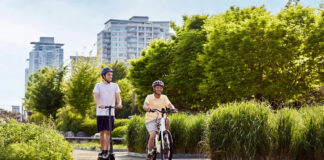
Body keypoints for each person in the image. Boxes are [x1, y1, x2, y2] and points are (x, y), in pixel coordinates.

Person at [143, 80, 178, 160]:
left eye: (161, 88)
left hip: (161, 118)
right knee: (153, 135)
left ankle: (165, 135)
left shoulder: (164, 97)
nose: (159, 89)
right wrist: (148, 108)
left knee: (167, 119)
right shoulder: (149, 97)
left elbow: (169, 104)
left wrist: (173, 109)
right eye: (157, 87)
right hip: (151, 119)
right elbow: (145, 105)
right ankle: (149, 152)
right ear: (154, 89)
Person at [93, 67, 122, 159]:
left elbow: (118, 97)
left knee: (109, 132)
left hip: (111, 112)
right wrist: (99, 104)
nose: (111, 76)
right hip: (101, 112)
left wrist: (119, 104)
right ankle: (103, 150)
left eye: (111, 75)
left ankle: (108, 150)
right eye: (109, 75)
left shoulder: (115, 85)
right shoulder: (98, 85)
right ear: (103, 76)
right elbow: (96, 97)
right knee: (102, 132)